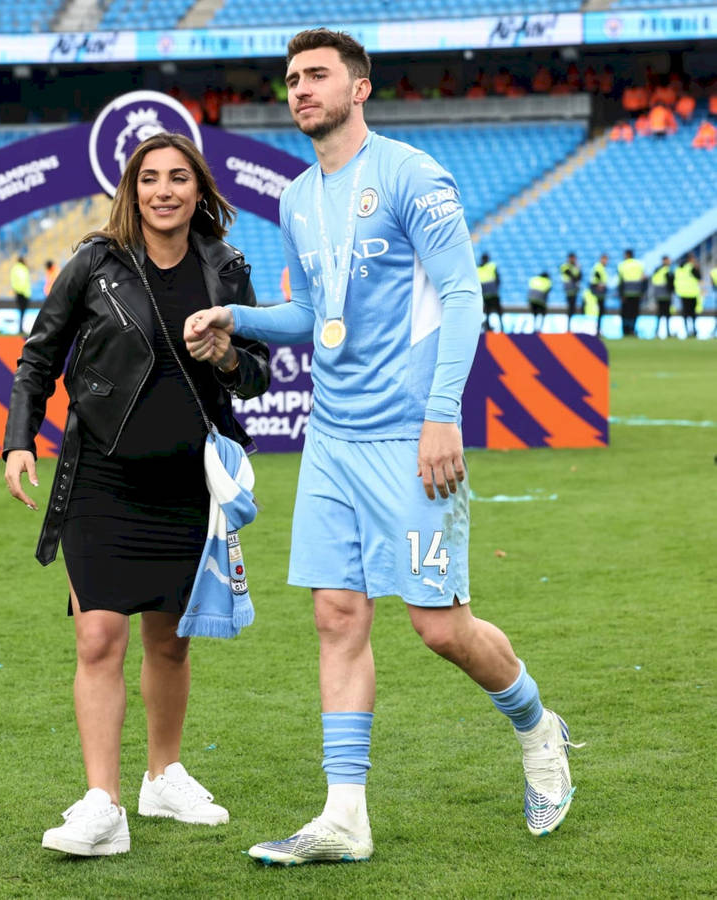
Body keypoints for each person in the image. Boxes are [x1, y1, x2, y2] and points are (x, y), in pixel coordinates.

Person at [185, 28, 579, 866]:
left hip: (410, 435)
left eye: (318, 75)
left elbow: (463, 295)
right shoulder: (295, 198)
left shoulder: (411, 176)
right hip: (331, 436)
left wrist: (443, 414)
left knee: (438, 625)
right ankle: (344, 816)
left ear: (360, 88)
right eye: (291, 78)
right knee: (336, 615)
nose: (300, 89)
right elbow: (310, 314)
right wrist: (238, 319)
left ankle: (538, 726)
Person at [2, 132, 270, 858]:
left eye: (178, 178)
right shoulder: (95, 261)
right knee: (98, 636)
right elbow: (38, 357)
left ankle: (163, 775)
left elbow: (258, 375)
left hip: (188, 483)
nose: (163, 191)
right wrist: (20, 439)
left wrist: (229, 356)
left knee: (171, 643)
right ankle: (102, 804)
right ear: (132, 188)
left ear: (198, 188)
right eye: (149, 178)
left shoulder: (226, 267)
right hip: (100, 476)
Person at [617, 249, 645, 337]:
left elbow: (620, 281)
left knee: (625, 312)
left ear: (627, 255)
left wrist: (621, 294)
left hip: (626, 293)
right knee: (634, 312)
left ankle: (625, 330)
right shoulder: (639, 264)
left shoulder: (622, 265)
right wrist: (642, 292)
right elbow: (643, 278)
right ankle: (633, 329)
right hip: (637, 292)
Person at [674, 253, 702, 339]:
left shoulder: (679, 268)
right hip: (692, 293)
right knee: (692, 313)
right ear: (690, 259)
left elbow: (676, 279)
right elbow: (699, 277)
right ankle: (693, 330)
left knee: (685, 312)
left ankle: (686, 330)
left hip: (682, 293)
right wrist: (697, 269)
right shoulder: (692, 267)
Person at [477, 253, 502, 332]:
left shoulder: (478, 268)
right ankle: (501, 328)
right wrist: (496, 288)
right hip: (493, 293)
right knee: (498, 311)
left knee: (487, 311)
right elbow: (498, 279)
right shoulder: (492, 266)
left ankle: (487, 328)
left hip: (484, 295)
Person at [651, 256, 674, 339]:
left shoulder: (657, 270)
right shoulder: (667, 270)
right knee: (665, 314)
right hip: (665, 294)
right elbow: (671, 283)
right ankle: (666, 332)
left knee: (661, 314)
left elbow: (654, 281)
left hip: (659, 294)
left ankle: (657, 331)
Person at [559, 252, 582, 331]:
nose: (572, 259)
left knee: (572, 308)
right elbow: (572, 276)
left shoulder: (576, 266)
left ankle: (570, 326)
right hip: (569, 289)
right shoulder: (565, 266)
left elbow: (579, 277)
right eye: (571, 258)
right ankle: (568, 326)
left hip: (575, 290)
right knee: (570, 307)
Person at [10, 255, 32, 333]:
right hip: (22, 293)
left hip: (20, 292)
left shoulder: (16, 268)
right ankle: (20, 328)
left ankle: (20, 328)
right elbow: (22, 282)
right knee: (22, 311)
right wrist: (22, 291)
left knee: (21, 311)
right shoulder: (22, 269)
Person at [590, 253, 609, 336]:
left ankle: (598, 329)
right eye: (604, 259)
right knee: (599, 310)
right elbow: (596, 278)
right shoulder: (598, 267)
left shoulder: (601, 268)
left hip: (601, 292)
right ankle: (597, 329)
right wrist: (599, 284)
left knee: (601, 311)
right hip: (598, 292)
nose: (605, 261)